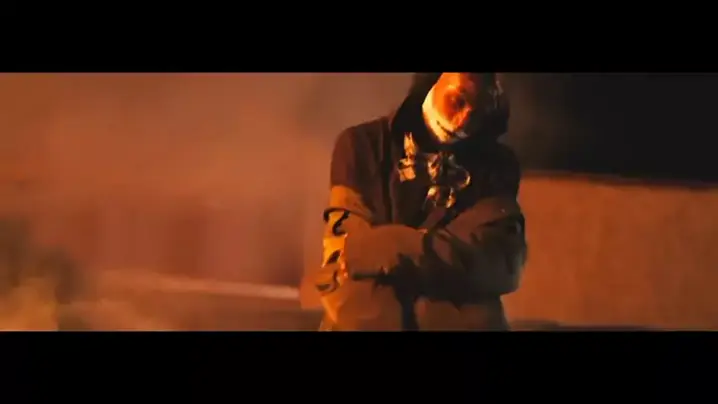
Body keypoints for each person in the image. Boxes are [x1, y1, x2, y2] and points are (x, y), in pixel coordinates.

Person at [300, 72, 528, 331]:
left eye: (479, 111)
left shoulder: (498, 165)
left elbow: (500, 264)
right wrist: (450, 262)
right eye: (458, 100)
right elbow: (347, 258)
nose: (465, 119)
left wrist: (390, 247)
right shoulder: (361, 145)